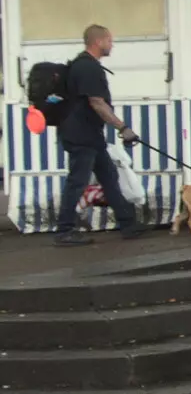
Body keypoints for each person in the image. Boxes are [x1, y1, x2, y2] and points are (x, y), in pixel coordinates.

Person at [53, 24, 145, 245]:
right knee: (78, 181)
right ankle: (64, 230)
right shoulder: (87, 68)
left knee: (109, 177)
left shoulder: (84, 65)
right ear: (98, 42)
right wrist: (123, 128)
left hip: (90, 135)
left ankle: (128, 224)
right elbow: (97, 102)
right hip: (81, 135)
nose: (112, 45)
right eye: (109, 40)